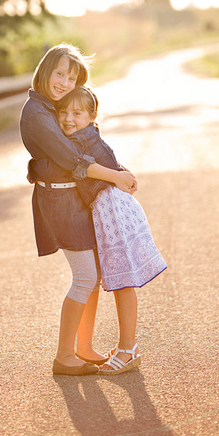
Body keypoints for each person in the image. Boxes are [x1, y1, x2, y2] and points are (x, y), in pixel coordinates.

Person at [19, 43, 137, 376]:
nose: (64, 83)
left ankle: (83, 348)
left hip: (74, 199)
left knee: (93, 277)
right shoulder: (37, 113)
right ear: (45, 71)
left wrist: (117, 168)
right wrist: (115, 176)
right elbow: (73, 161)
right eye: (59, 74)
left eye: (71, 78)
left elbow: (87, 146)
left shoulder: (51, 107)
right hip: (61, 201)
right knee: (85, 277)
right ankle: (64, 356)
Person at [54, 85, 167, 375]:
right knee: (117, 279)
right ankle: (121, 347)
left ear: (92, 117)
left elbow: (82, 168)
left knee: (123, 280)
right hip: (108, 213)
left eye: (77, 113)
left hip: (114, 213)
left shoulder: (82, 141)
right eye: (64, 112)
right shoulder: (86, 136)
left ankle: (128, 348)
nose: (68, 118)